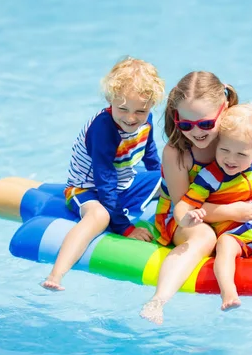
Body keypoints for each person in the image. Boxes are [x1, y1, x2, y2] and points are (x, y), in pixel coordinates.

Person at [140, 71, 252, 324]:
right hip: (188, 216)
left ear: (224, 109)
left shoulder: (232, 139)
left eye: (205, 123)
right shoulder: (178, 152)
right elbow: (184, 211)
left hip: (236, 207)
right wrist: (233, 212)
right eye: (186, 124)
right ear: (176, 119)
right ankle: (158, 301)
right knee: (204, 235)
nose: (196, 132)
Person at [41, 57, 165, 291]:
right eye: (123, 109)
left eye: (141, 111)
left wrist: (164, 183)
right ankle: (57, 274)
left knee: (175, 178)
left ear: (152, 105)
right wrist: (125, 228)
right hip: (88, 188)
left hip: (124, 182)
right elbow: (104, 180)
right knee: (99, 217)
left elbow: (150, 155)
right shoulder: (103, 129)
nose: (131, 118)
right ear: (110, 99)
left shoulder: (144, 119)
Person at [174, 103, 252, 311]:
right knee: (224, 247)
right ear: (217, 145)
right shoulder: (210, 177)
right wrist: (190, 216)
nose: (230, 159)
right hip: (230, 233)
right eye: (224, 150)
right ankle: (228, 291)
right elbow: (189, 203)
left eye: (241, 155)